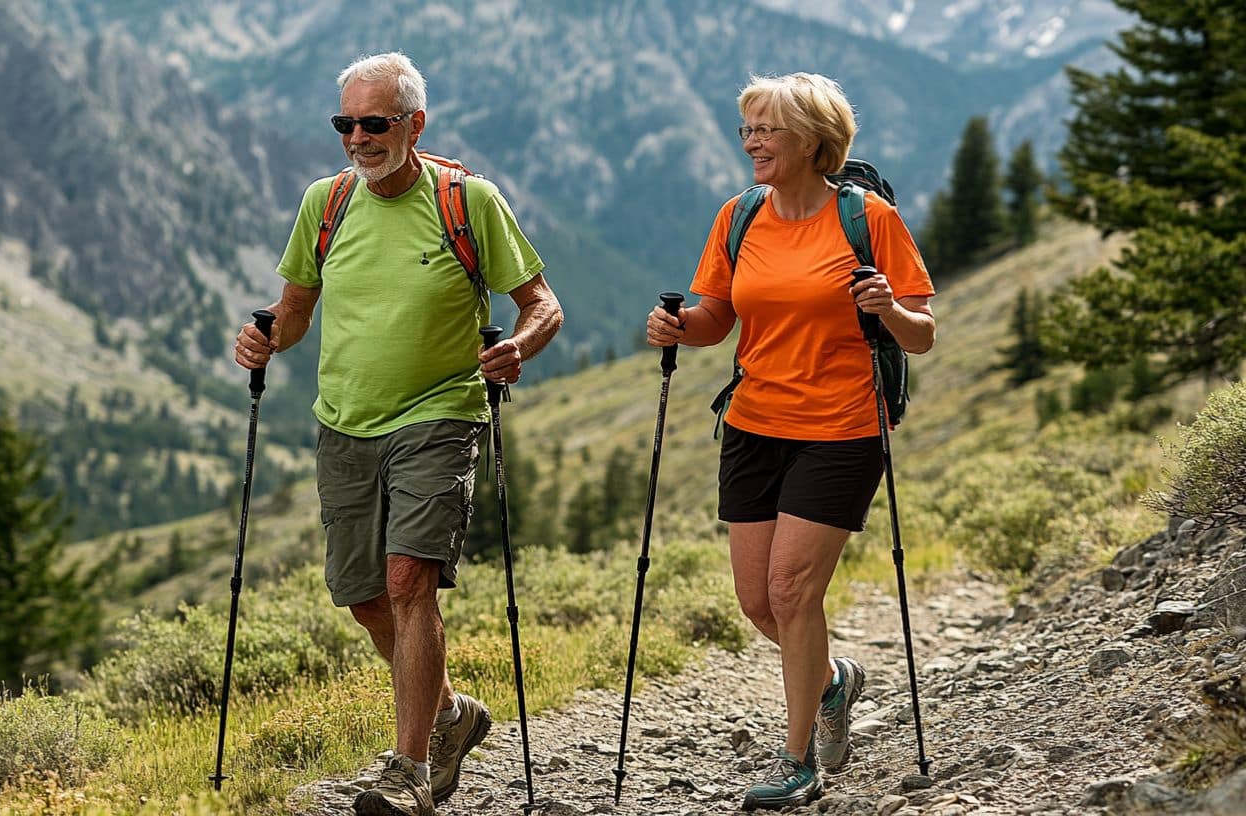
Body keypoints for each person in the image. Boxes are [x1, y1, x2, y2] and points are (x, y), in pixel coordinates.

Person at [234, 52, 563, 816]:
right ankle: (450, 715)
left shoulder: (467, 201)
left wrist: (518, 347)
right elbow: (295, 310)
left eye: (374, 124)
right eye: (345, 124)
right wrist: (265, 336)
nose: (358, 138)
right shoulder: (325, 203)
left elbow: (542, 303)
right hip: (344, 422)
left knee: (409, 580)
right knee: (363, 595)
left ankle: (408, 770)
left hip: (440, 415)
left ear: (415, 124)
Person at [645, 72, 935, 810]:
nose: (752, 142)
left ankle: (798, 760)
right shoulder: (739, 216)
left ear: (811, 139)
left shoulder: (868, 219)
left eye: (766, 129)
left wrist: (888, 308)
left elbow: (922, 335)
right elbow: (716, 318)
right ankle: (833, 681)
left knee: (791, 591)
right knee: (757, 604)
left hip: (842, 429)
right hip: (753, 424)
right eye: (747, 129)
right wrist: (679, 327)